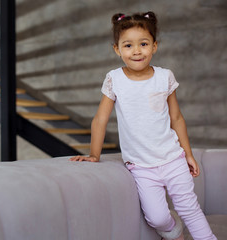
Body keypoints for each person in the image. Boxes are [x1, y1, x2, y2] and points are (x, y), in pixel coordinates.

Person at [69, 11, 217, 240]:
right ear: (117, 49)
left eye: (144, 44)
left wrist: (187, 154)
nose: (136, 51)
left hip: (172, 158)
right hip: (141, 167)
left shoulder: (164, 76)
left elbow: (176, 118)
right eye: (128, 45)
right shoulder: (114, 79)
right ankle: (173, 230)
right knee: (157, 218)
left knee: (190, 209)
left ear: (154, 46)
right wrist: (94, 155)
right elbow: (100, 119)